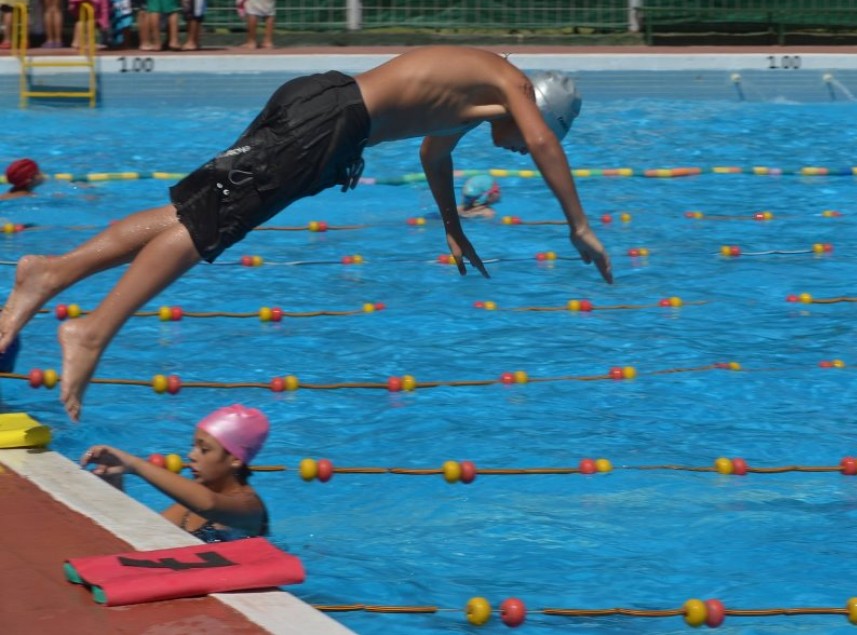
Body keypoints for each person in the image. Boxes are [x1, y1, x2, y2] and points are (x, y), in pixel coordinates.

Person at [0, 46, 613, 422]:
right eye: (548, 132)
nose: (525, 148)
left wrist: (453, 228)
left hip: (324, 104)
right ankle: (92, 332)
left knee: (196, 209)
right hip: (330, 124)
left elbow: (434, 153)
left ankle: (50, 273)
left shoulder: (477, 89)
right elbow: (535, 141)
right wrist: (578, 225)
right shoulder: (508, 86)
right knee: (203, 228)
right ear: (542, 110)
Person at [81, 404, 270, 543]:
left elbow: (208, 504)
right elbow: (140, 532)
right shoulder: (192, 499)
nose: (191, 455)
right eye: (193, 446)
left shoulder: (250, 507)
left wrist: (134, 465)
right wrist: (115, 481)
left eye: (204, 450)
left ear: (235, 459)